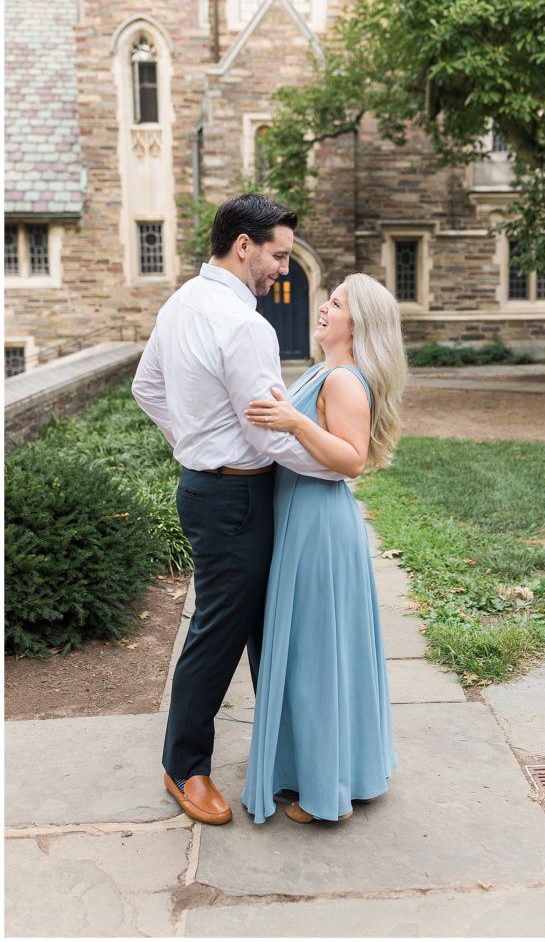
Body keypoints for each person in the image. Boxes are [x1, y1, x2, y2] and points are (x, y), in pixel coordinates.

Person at [131, 194, 345, 827]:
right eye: (278, 255)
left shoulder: (180, 304)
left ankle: (278, 759)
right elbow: (270, 435)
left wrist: (194, 445)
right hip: (237, 497)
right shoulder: (245, 324)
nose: (284, 267)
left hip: (207, 489)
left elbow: (148, 389)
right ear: (245, 246)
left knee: (260, 625)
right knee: (222, 632)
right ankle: (185, 765)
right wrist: (335, 464)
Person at [240, 272, 407, 823]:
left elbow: (351, 459)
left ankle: (323, 787)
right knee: (315, 650)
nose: (323, 308)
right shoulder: (323, 370)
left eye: (336, 303)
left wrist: (291, 420)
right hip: (300, 515)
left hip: (318, 522)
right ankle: (325, 766)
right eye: (328, 299)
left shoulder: (344, 381)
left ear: (359, 325)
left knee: (315, 654)